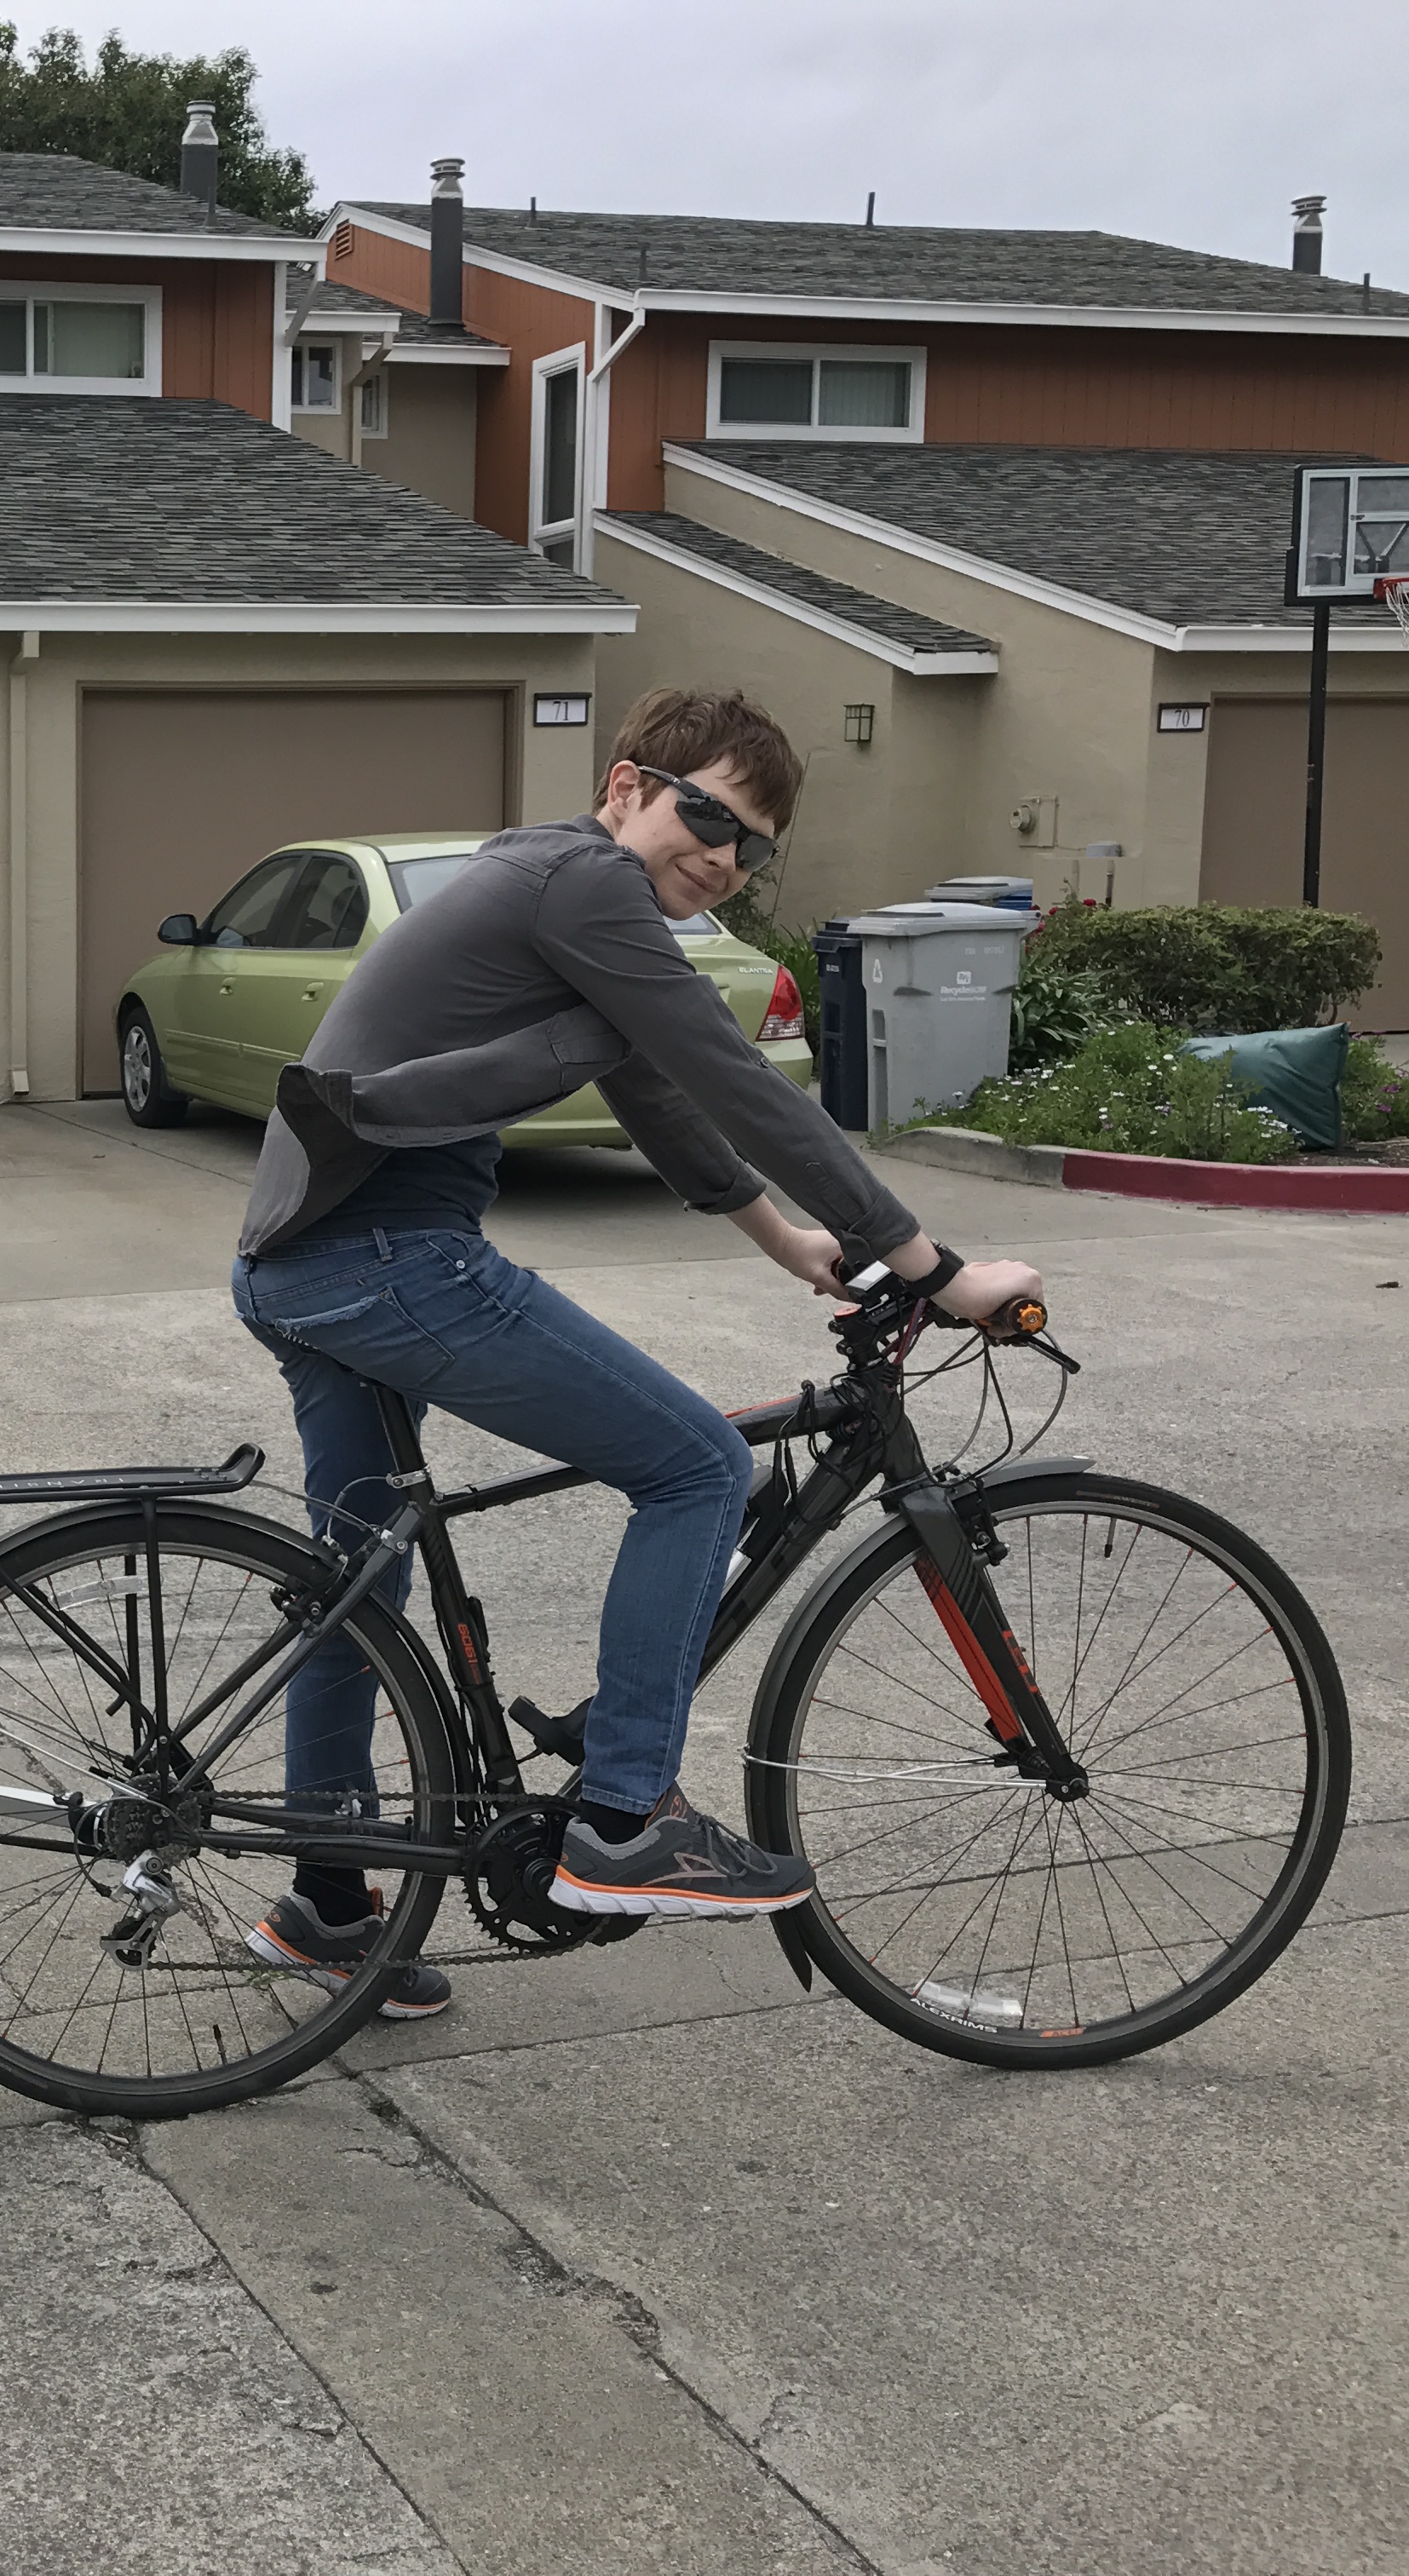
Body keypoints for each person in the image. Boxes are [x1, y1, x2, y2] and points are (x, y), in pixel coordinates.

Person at [229, 688, 1041, 2016]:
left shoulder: (550, 887)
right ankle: (623, 1818)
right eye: (707, 816)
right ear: (626, 790)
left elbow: (659, 1092)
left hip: (302, 1267)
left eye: (753, 847)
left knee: (356, 1585)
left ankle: (329, 1903)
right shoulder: (587, 883)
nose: (723, 859)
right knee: (701, 1469)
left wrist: (793, 1246)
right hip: (387, 1263)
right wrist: (928, 1265)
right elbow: (729, 1072)